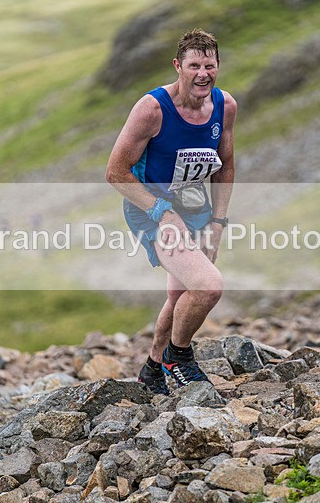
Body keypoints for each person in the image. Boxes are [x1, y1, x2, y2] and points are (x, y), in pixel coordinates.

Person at [105, 29, 236, 395]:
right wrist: (162, 211)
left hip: (196, 209)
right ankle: (178, 357)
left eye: (209, 66)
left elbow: (225, 167)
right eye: (194, 65)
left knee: (181, 295)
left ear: (218, 66)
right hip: (148, 209)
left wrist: (218, 222)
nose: (202, 74)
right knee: (208, 286)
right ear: (178, 66)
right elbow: (116, 173)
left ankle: (151, 370)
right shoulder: (152, 109)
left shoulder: (226, 106)